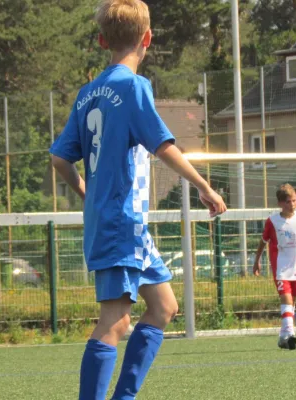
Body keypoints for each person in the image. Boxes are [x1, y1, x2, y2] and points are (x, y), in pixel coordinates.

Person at [49, 1, 227, 399]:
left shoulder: (88, 93)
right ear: (147, 39)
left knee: (163, 307)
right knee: (115, 321)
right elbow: (162, 145)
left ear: (101, 41)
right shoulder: (133, 86)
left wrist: (85, 191)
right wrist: (204, 186)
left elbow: (60, 158)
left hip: (119, 223)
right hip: (121, 222)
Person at [253, 184, 296, 350]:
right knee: (286, 297)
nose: (292, 204)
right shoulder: (272, 221)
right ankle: (291, 333)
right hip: (280, 267)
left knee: (292, 300)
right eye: (287, 201)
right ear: (280, 203)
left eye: (294, 200)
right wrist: (256, 260)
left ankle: (283, 336)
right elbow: (263, 242)